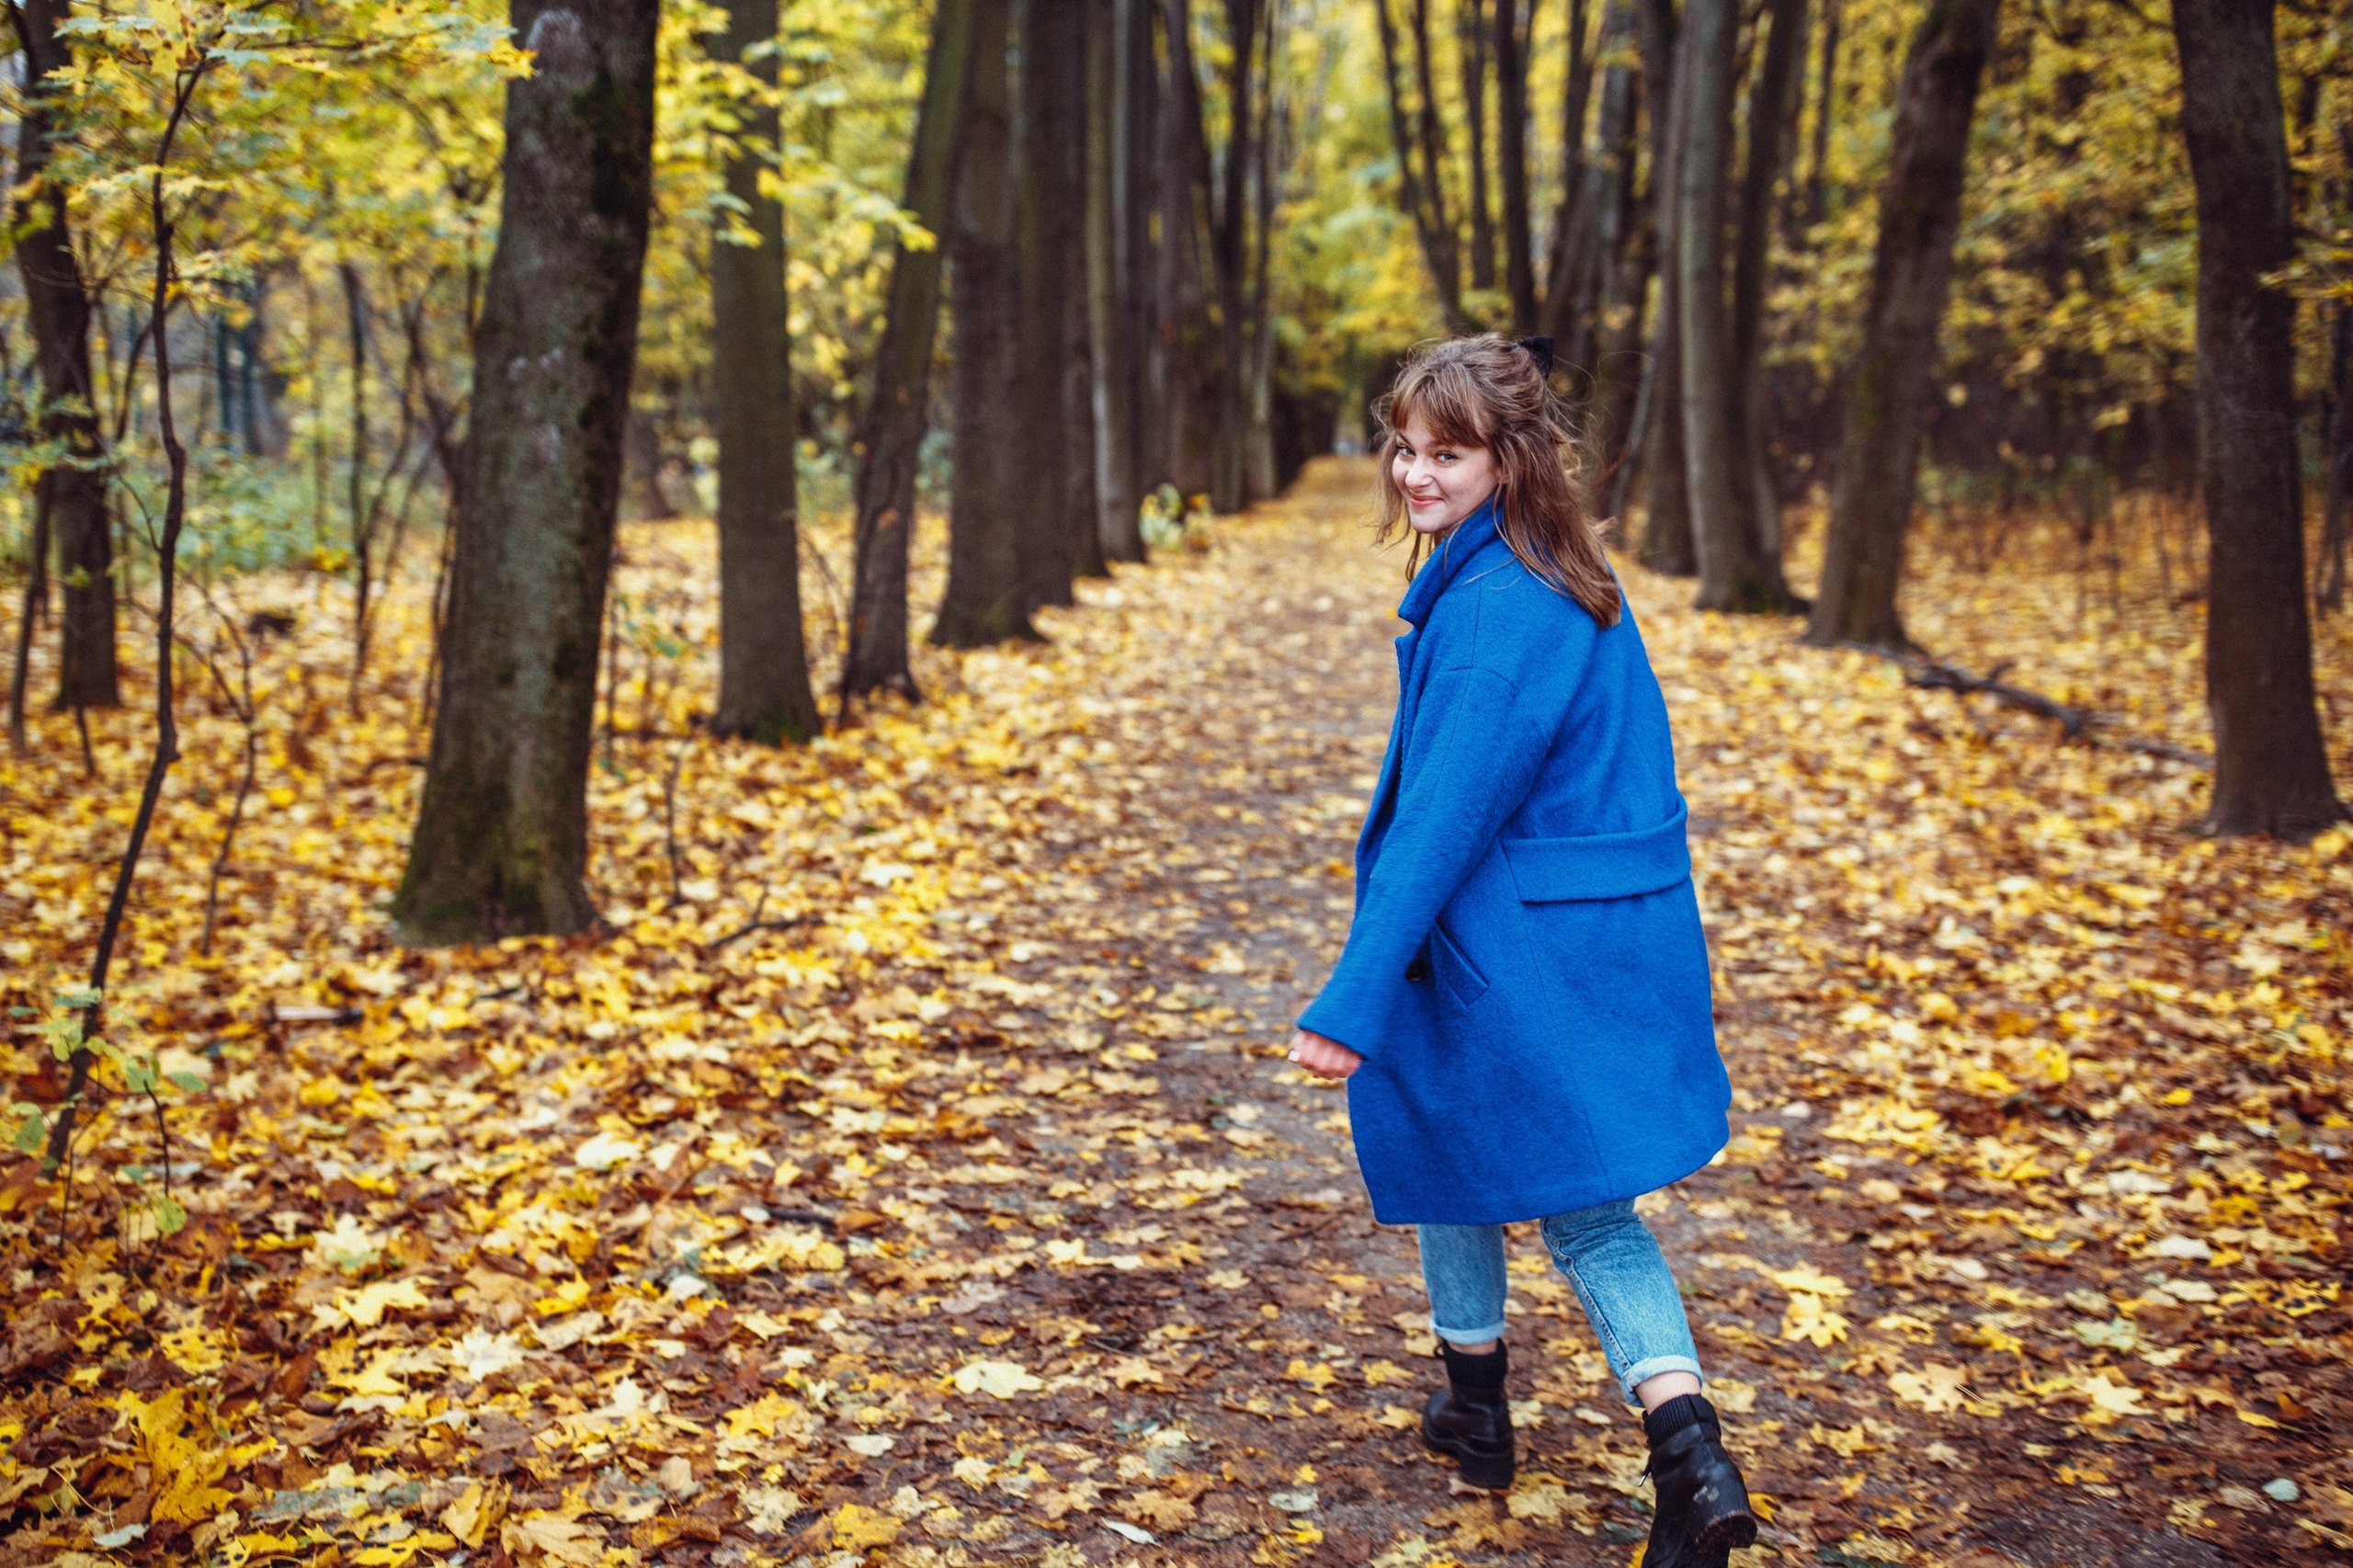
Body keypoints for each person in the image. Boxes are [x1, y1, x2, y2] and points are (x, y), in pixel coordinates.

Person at [1288, 334, 1755, 1567]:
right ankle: (1478, 1406)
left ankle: (1692, 1460)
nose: (1415, 473)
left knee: (1587, 1213)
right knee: (1455, 1142)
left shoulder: (1503, 607)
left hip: (1516, 945)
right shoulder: (1558, 568)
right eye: (1405, 447)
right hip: (1569, 929)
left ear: (1511, 458)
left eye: (1448, 453)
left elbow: (1440, 819)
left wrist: (1353, 994)